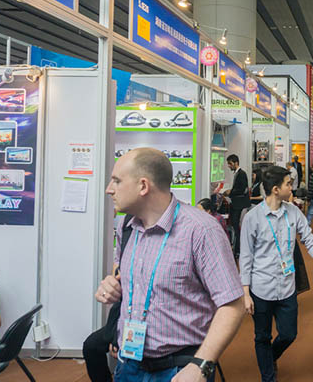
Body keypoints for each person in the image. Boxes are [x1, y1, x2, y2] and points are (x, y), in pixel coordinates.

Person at [96, 148, 244, 381]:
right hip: (129, 364)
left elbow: (233, 304)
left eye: (116, 180)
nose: (109, 189)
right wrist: (112, 285)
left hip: (180, 367)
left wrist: (200, 365)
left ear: (143, 186)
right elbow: (124, 276)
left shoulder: (200, 230)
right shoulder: (127, 226)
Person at [240, 166, 313, 382]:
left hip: (287, 286)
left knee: (289, 334)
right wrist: (245, 293)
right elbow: (246, 257)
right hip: (261, 288)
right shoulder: (253, 218)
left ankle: (268, 358)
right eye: (288, 184)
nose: (292, 187)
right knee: (262, 336)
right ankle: (268, 375)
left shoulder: (293, 212)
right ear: (275, 189)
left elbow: (309, 239)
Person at [224, 154, 250, 257]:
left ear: (236, 163)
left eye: (230, 164)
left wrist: (230, 192)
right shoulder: (238, 174)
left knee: (236, 227)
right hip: (237, 204)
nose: (229, 166)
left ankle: (238, 250)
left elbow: (242, 189)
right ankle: (236, 249)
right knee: (235, 226)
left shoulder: (241, 174)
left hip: (240, 205)